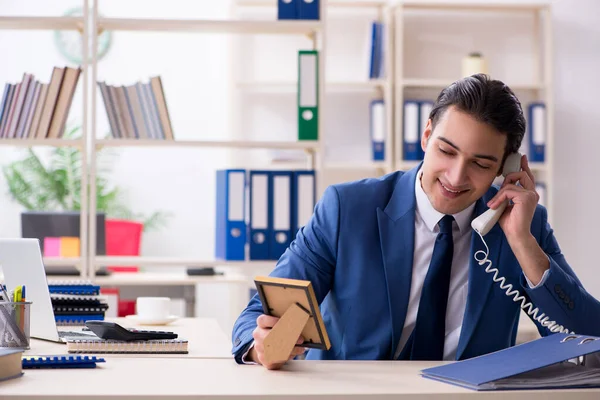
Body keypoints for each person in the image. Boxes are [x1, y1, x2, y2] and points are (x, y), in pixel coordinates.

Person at [231, 74, 600, 370]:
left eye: (481, 164)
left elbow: (589, 341)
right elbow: (254, 318)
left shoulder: (523, 225)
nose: (456, 177)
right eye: (446, 151)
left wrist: (522, 243)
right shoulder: (347, 208)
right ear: (426, 135)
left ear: (508, 167)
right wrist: (260, 343)